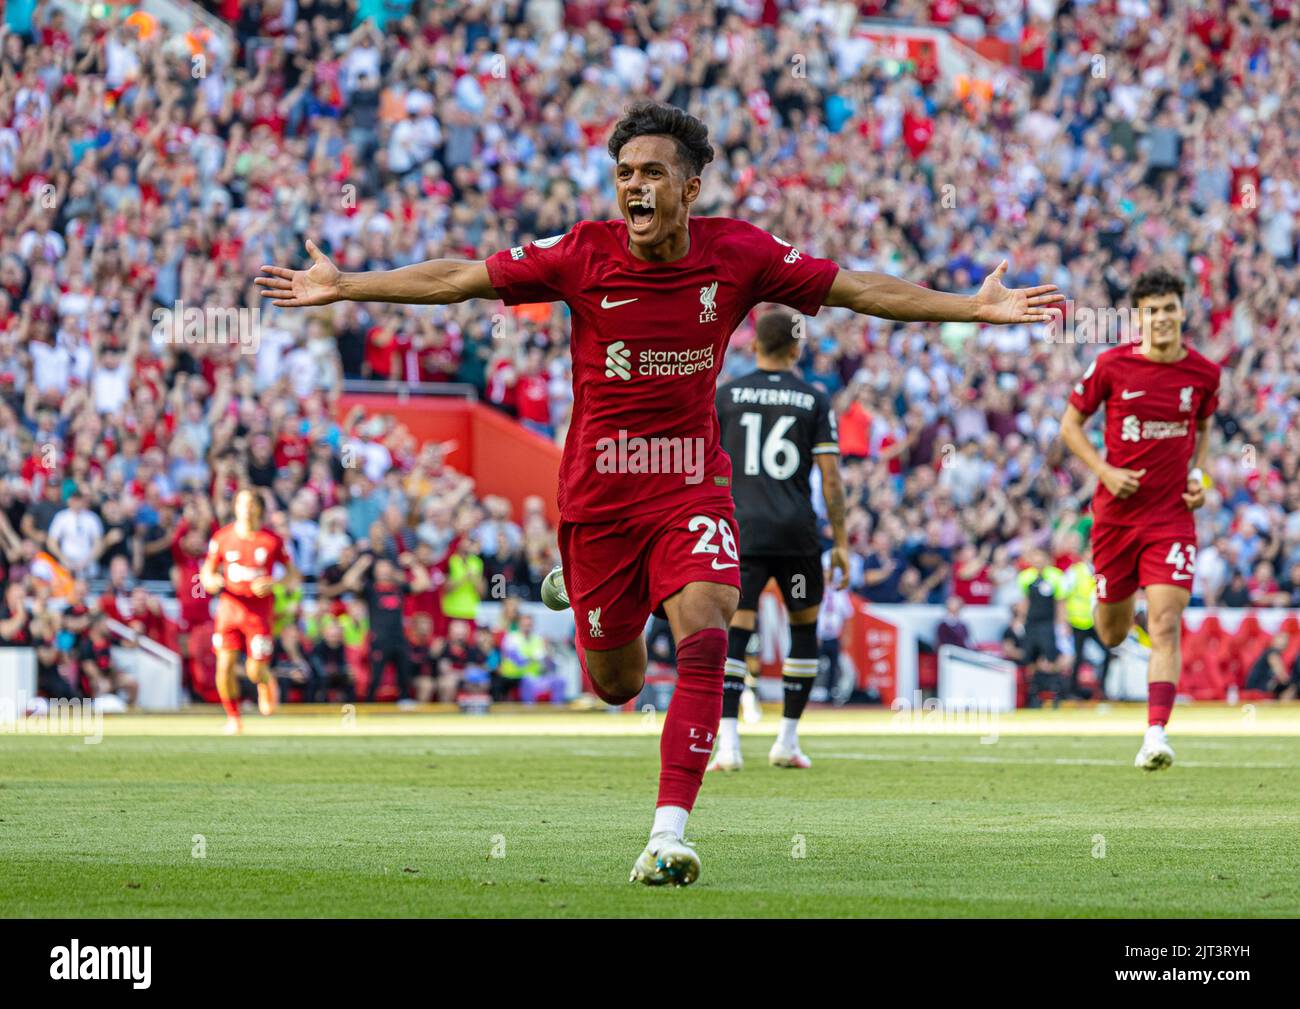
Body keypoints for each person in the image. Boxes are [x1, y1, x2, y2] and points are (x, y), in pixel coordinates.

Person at [257, 100, 1059, 886]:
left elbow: (856, 288)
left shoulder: (740, 255)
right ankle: (582, 584)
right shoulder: (581, 253)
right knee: (618, 684)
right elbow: (461, 276)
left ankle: (668, 834)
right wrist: (350, 283)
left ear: (690, 188)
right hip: (599, 499)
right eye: (623, 174)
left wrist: (968, 306)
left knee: (709, 621)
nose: (634, 187)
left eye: (651, 174)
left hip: (691, 484)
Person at [1060, 268, 1221, 770]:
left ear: (1182, 312)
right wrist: (1104, 471)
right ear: (1138, 317)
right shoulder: (1110, 365)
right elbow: (1069, 425)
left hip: (1171, 518)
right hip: (1115, 519)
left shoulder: (1204, 374)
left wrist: (1202, 478)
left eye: (1170, 308)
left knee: (1166, 622)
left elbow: (1205, 431)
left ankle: (1155, 733)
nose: (1162, 318)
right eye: (1152, 310)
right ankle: (1117, 603)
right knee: (1110, 631)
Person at [708, 308, 847, 771]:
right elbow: (831, 480)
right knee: (803, 628)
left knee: (736, 631)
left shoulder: (725, 396)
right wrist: (841, 542)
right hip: (796, 533)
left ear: (753, 346)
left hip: (741, 530)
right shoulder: (813, 398)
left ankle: (728, 745)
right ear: (796, 348)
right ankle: (786, 740)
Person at [199, 489, 300, 734]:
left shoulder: (271, 540)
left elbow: (293, 575)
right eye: (241, 503)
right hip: (229, 610)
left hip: (258, 614)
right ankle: (233, 717)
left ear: (259, 509)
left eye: (250, 504)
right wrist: (210, 581)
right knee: (224, 665)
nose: (245, 508)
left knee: (254, 669)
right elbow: (206, 572)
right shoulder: (222, 538)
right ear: (235, 507)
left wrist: (274, 584)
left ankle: (266, 681)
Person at [1244, 632, 1298, 700]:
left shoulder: (1270, 653)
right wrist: (1292, 684)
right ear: (1274, 641)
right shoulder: (1272, 652)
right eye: (1281, 638)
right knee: (1291, 688)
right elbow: (1281, 674)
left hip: (1259, 686)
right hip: (1257, 687)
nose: (1284, 641)